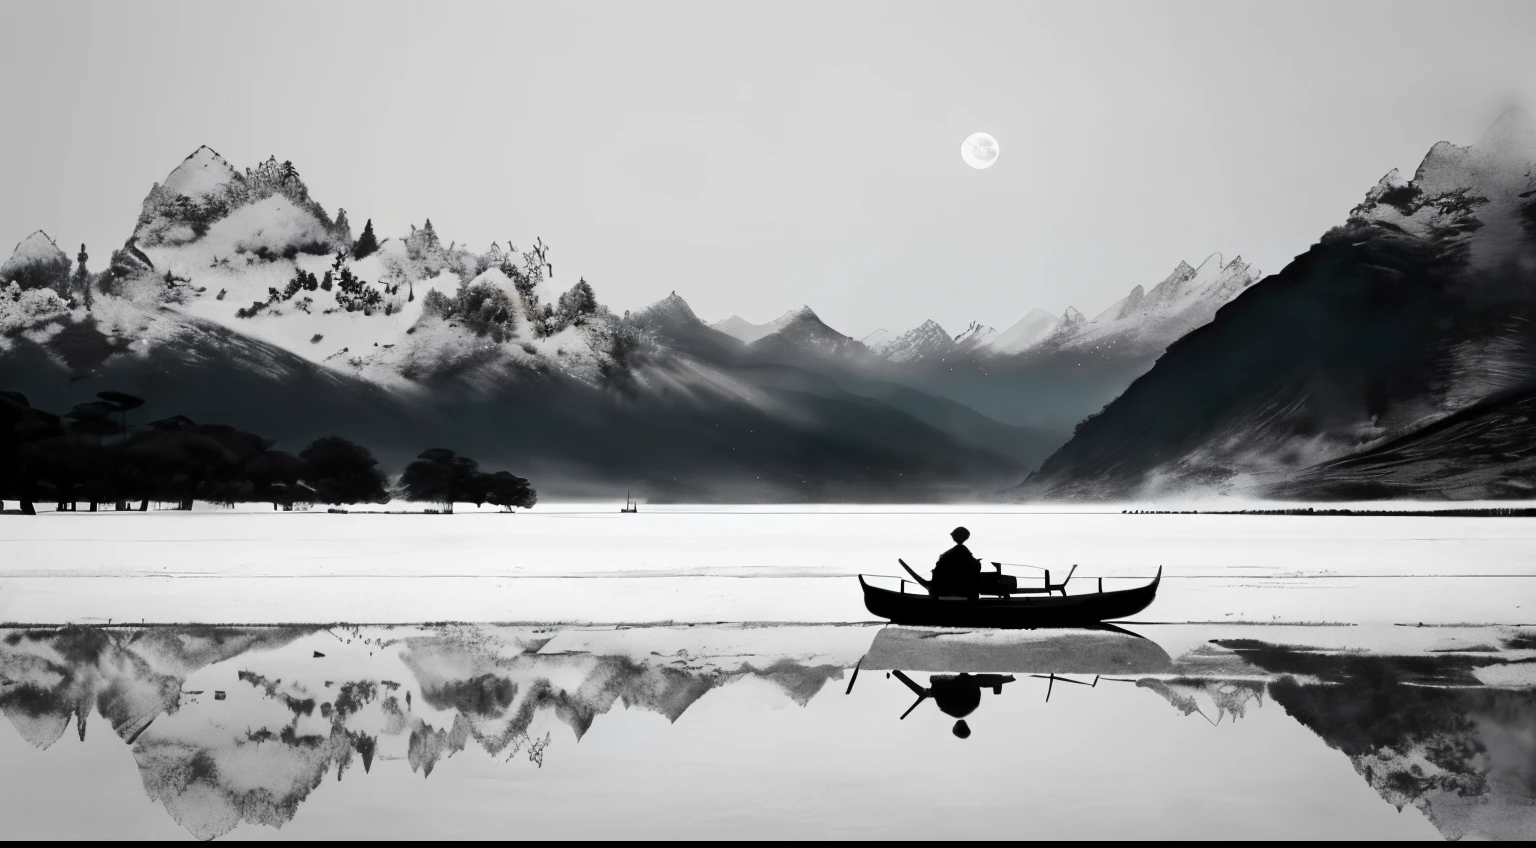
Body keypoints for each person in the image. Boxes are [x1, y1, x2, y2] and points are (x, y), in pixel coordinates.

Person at [931, 526, 982, 598]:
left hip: (948, 588)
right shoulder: (962, 551)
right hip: (962, 588)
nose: (952, 536)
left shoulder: (955, 552)